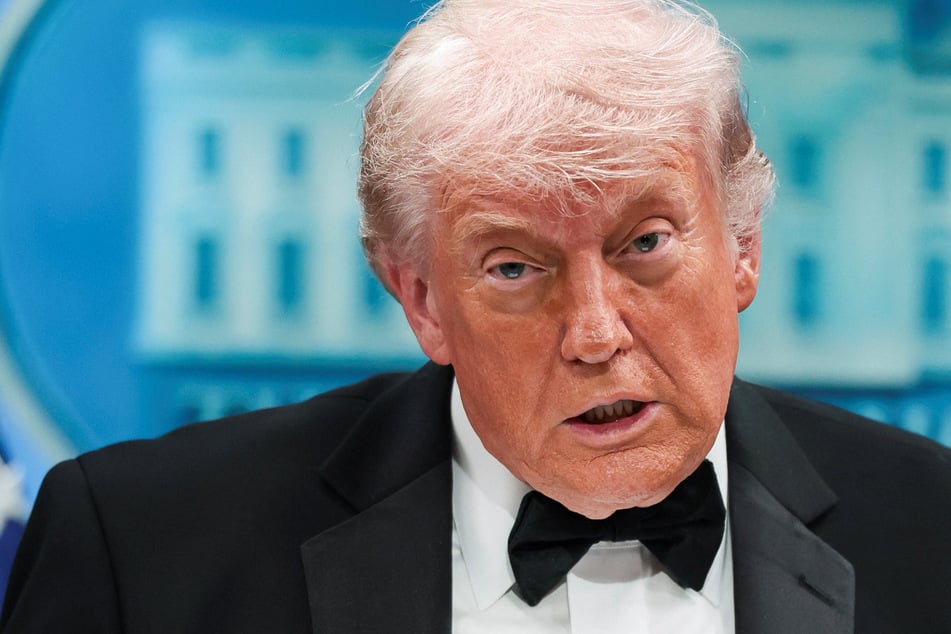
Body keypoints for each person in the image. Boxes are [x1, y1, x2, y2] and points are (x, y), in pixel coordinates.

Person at [3, 0, 950, 632]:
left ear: (742, 246)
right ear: (420, 299)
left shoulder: (933, 529)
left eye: (644, 244)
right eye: (513, 267)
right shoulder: (142, 553)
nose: (594, 333)